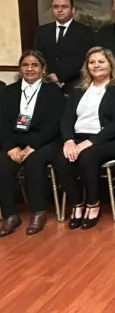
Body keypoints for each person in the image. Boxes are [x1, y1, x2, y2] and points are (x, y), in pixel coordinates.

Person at [54, 47, 115, 230]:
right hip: (78, 138)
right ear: (87, 66)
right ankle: (77, 204)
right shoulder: (78, 89)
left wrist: (90, 142)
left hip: (109, 140)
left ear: (111, 65)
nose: (96, 65)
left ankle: (93, 204)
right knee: (60, 159)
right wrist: (69, 141)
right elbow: (66, 118)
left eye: (101, 61)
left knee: (87, 156)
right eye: (92, 62)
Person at [0, 51, 63, 236]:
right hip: (15, 141)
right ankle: (10, 215)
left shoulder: (53, 91)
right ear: (20, 69)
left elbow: (54, 124)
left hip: (44, 141)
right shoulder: (9, 91)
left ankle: (38, 211)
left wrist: (32, 146)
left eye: (34, 65)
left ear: (43, 69)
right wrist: (10, 147)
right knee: (2, 164)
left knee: (34, 162)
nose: (29, 69)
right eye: (25, 65)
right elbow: (2, 122)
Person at [33, 0, 95, 93]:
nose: (60, 10)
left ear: (73, 10)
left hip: (75, 85)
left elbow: (85, 59)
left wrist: (60, 77)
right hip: (47, 83)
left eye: (64, 7)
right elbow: (38, 56)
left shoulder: (85, 32)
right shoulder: (42, 31)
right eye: (56, 7)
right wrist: (50, 75)